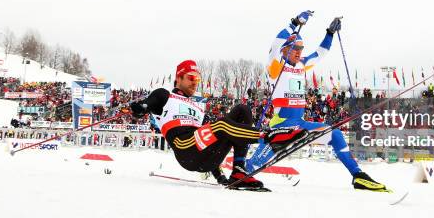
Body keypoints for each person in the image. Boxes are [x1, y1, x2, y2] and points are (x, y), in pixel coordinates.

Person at [246, 11, 388, 191]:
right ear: (285, 49)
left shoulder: (302, 65)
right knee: (251, 168)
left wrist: (329, 33)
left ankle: (358, 176)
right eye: (295, 48)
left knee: (334, 134)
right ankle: (230, 170)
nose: (299, 52)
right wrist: (294, 22)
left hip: (299, 125)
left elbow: (320, 53)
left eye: (301, 48)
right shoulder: (276, 66)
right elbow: (275, 44)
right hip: (280, 127)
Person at [130, 59, 305, 189]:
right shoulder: (165, 95)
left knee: (242, 110)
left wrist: (220, 176)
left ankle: (238, 170)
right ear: (179, 78)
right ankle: (271, 136)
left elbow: (209, 137)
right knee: (221, 125)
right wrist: (141, 107)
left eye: (197, 79)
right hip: (184, 148)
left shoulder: (198, 107)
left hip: (204, 156)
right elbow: (146, 105)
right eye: (191, 77)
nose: (194, 82)